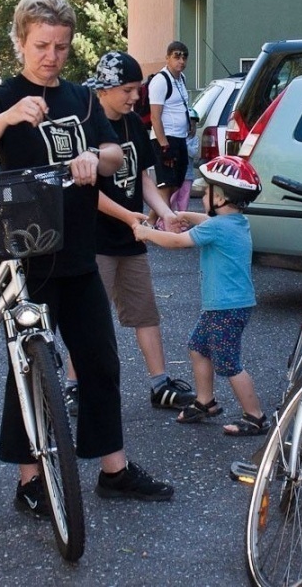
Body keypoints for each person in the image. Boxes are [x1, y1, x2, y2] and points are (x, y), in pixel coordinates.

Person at [0, 0, 174, 514]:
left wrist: (92, 158)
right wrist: (7, 117)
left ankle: (113, 470)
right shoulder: (6, 95)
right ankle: (29, 481)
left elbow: (116, 153)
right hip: (25, 257)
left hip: (77, 251)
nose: (50, 55)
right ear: (20, 43)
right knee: (30, 366)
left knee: (99, 360)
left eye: (60, 46)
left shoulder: (80, 97)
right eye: (41, 45)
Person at [60, 50, 195, 417]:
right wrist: (130, 218)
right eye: (129, 90)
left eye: (137, 89)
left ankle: (159, 384)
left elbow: (142, 176)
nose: (135, 97)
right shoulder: (86, 125)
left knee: (146, 313)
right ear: (105, 89)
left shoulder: (133, 124)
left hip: (131, 237)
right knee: (89, 317)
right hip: (94, 239)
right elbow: (84, 188)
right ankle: (74, 386)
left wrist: (165, 213)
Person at [134, 156, 270, 437]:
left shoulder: (217, 228)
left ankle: (255, 416)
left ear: (219, 197)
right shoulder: (235, 221)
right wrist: (184, 215)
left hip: (226, 307)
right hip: (227, 306)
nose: (202, 195)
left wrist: (145, 232)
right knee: (198, 347)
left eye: (206, 190)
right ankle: (204, 401)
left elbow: (176, 242)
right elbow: (206, 220)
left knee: (230, 363)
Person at [146, 41, 191, 227]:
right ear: (168, 58)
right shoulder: (160, 81)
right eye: (176, 56)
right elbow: (155, 118)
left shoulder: (181, 79)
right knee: (165, 185)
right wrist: (164, 146)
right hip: (164, 139)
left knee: (175, 184)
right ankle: (161, 225)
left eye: (184, 57)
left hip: (180, 138)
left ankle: (150, 221)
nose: (180, 61)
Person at [167, 107, 198, 215]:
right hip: (175, 174)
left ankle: (182, 218)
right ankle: (165, 219)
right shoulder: (175, 137)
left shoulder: (194, 139)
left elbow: (194, 153)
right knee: (171, 198)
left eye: (192, 125)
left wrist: (185, 145)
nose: (189, 127)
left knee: (184, 199)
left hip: (188, 176)